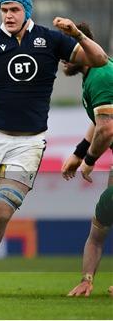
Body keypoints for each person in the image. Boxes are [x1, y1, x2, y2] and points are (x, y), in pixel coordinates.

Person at [0, 0, 108, 276]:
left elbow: (99, 60)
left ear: (27, 11)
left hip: (29, 144)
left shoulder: (51, 40)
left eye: (14, 10)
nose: (8, 16)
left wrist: (77, 34)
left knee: (1, 212)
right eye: (4, 10)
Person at [58, 23, 113, 297]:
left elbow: (106, 129)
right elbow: (98, 122)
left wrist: (89, 160)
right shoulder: (95, 74)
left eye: (67, 50)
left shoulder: (101, 75)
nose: (62, 57)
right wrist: (79, 153)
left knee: (100, 223)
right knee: (102, 220)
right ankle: (87, 280)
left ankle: (87, 279)